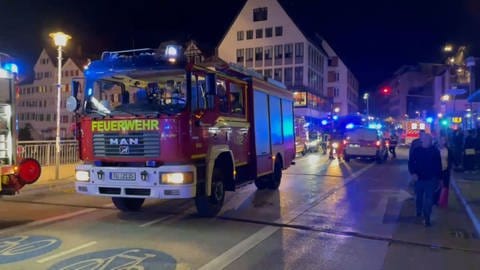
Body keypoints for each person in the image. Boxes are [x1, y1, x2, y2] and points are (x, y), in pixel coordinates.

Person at [408, 133, 442, 227]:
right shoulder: (417, 151)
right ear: (422, 141)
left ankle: (427, 216)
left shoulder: (435, 151)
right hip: (419, 179)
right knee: (419, 197)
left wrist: (439, 178)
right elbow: (411, 163)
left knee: (429, 199)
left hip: (431, 179)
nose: (427, 142)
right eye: (425, 140)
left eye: (429, 140)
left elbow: (439, 166)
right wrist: (413, 173)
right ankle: (418, 211)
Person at [436, 135, 453, 207]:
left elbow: (451, 159)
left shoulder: (448, 150)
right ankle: (436, 200)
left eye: (444, 140)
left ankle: (443, 202)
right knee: (437, 185)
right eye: (441, 140)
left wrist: (450, 167)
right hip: (436, 170)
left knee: (445, 186)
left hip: (445, 170)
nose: (442, 141)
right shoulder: (435, 149)